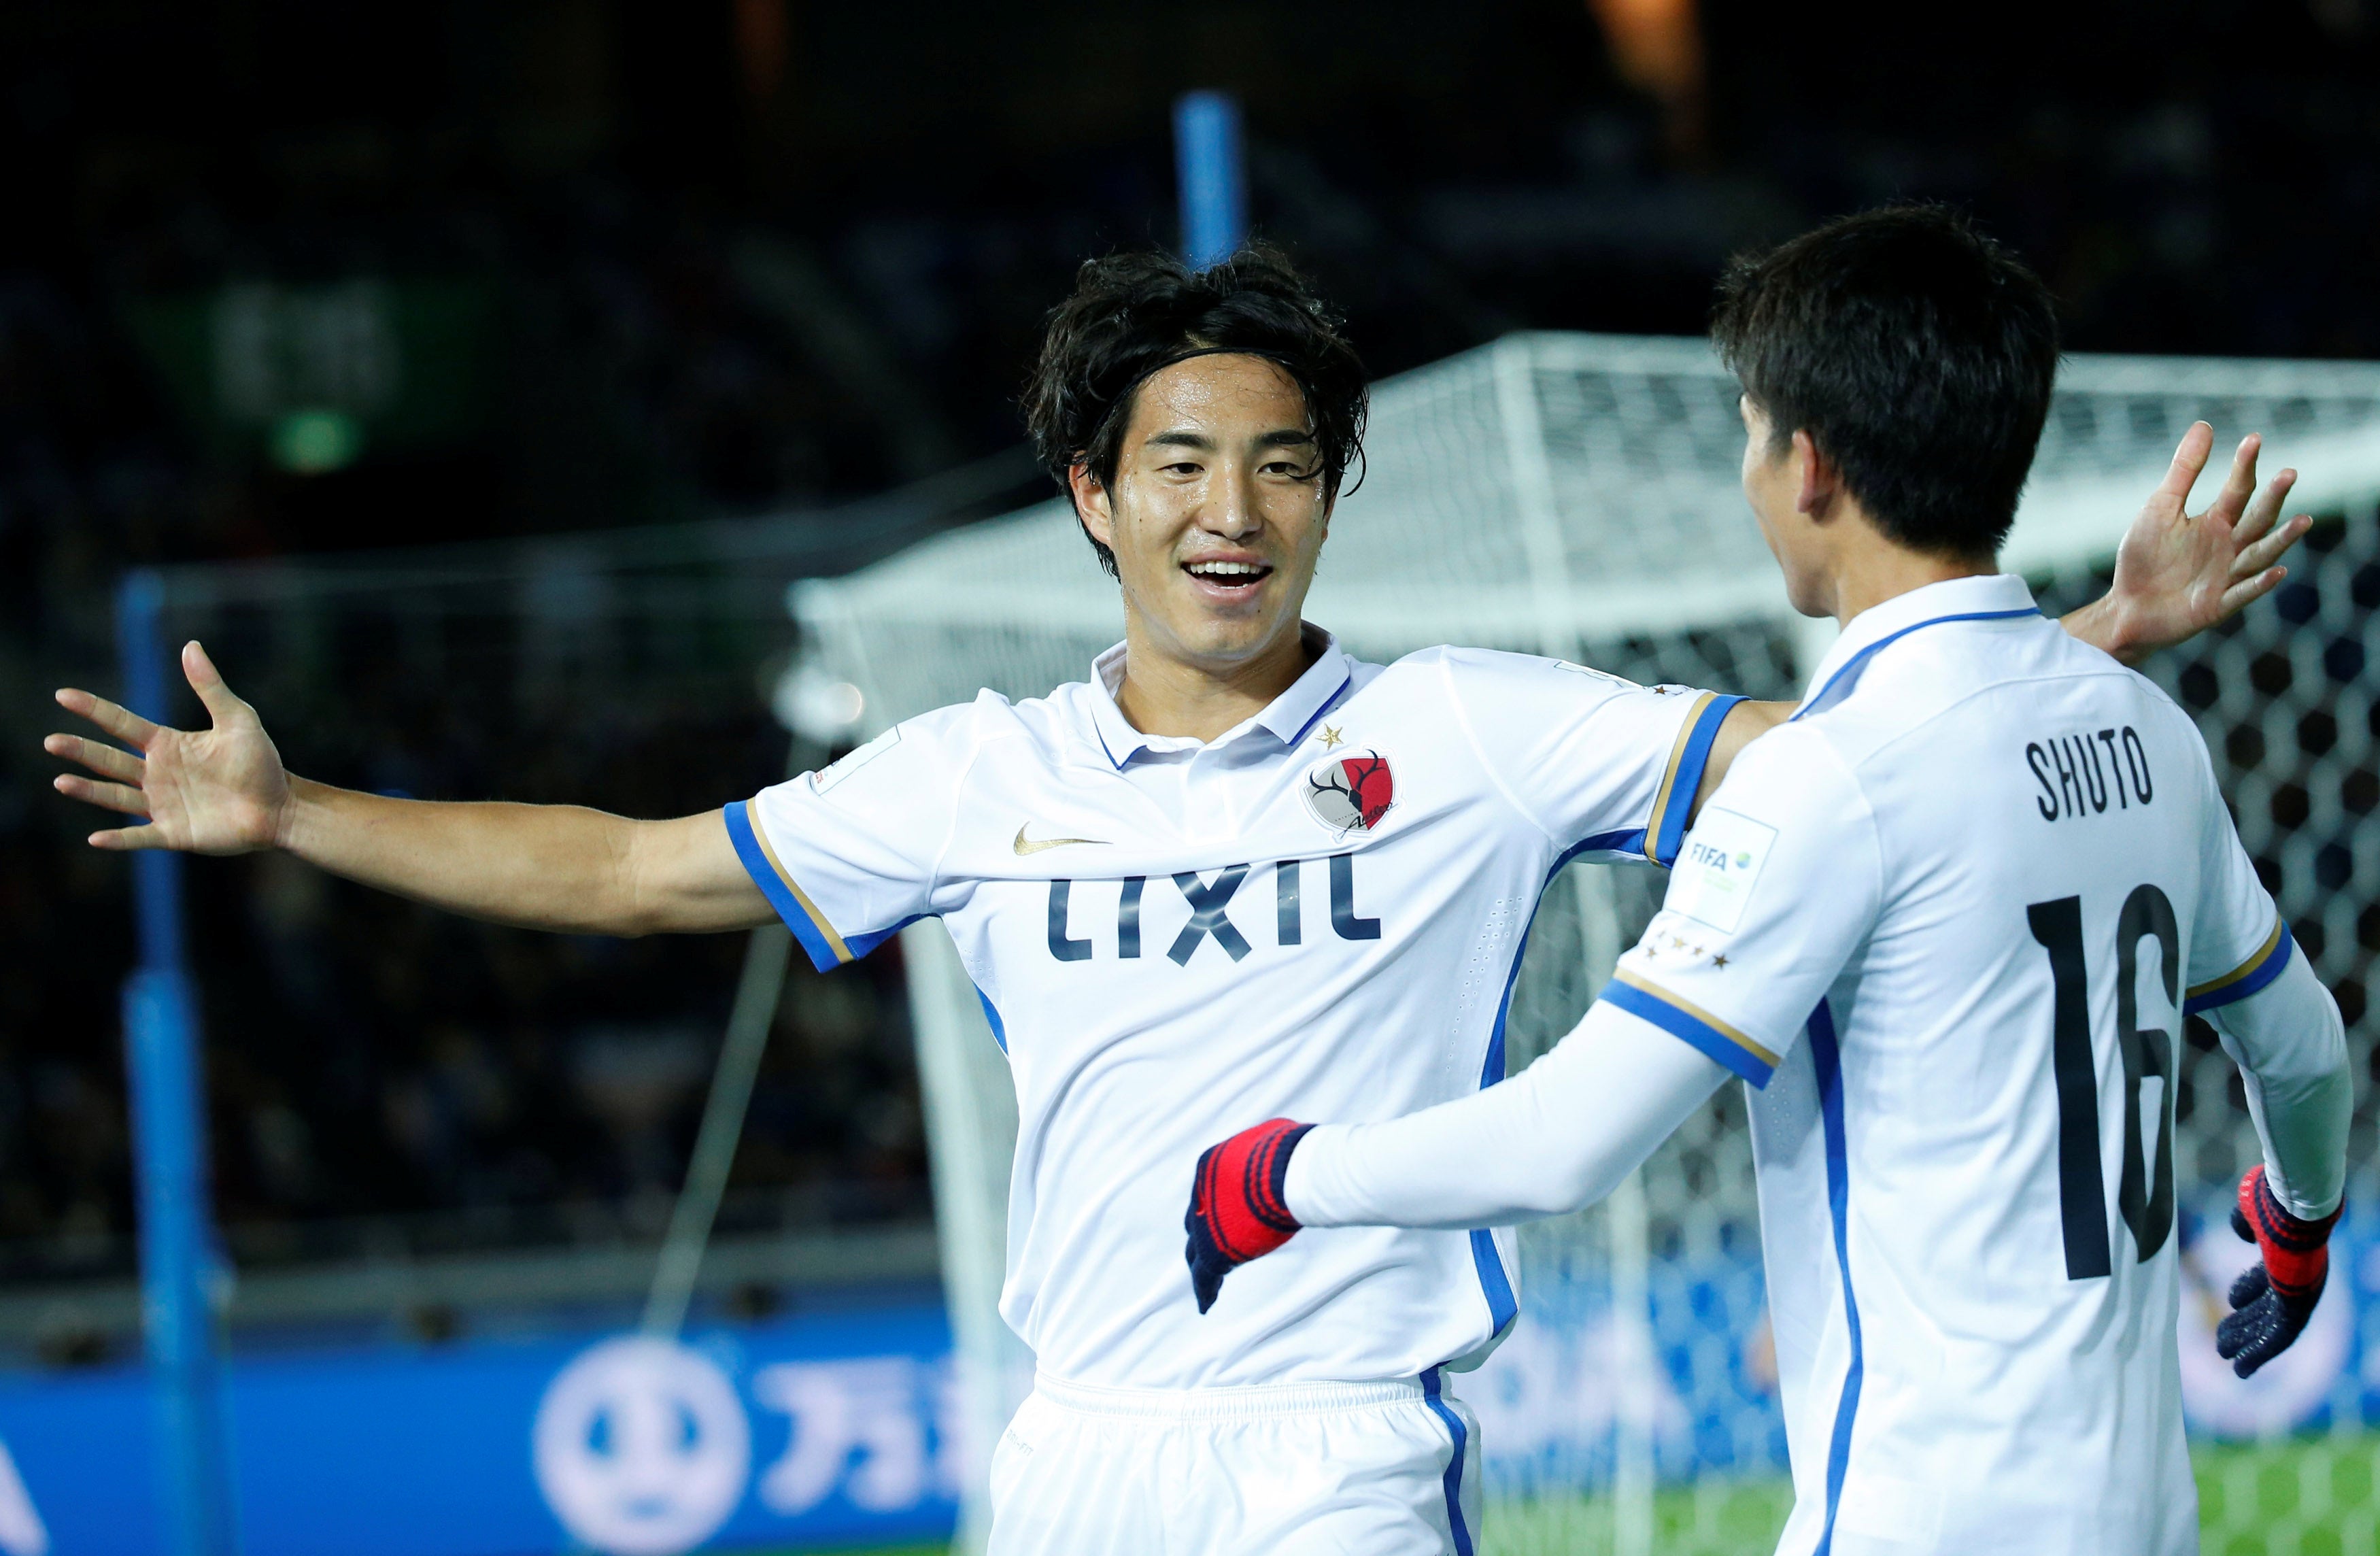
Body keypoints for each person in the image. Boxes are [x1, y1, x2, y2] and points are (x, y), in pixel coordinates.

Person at [50, 243, 2305, 1555]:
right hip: (1075, 1444)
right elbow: (640, 873)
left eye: (1287, 463)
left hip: (1341, 1444)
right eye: (1185, 464)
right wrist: (301, 808)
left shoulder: (1487, 724)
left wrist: (2083, 629)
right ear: (1092, 499)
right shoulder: (979, 771)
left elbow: (1858, 774)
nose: (1238, 509)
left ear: (1332, 496)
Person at [1183, 211, 2351, 1555]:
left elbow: (1564, 1140)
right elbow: (2305, 1052)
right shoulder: (2144, 731)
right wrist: (2298, 1220)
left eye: (1748, 429)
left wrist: (1276, 1174)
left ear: (1808, 464)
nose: (1744, 470)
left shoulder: (1830, 781)